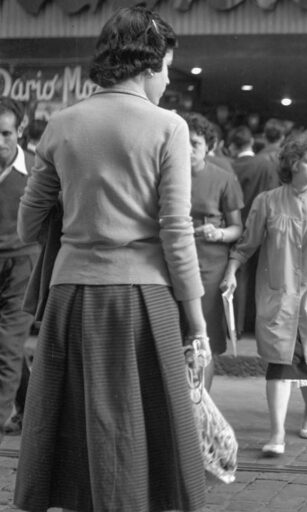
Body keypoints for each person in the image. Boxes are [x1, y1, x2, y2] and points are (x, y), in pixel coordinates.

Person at [14, 7, 208, 512]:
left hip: (69, 297)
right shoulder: (169, 127)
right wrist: (197, 316)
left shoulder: (61, 123)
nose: (168, 80)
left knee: (78, 428)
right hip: (143, 298)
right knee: (142, 429)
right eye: (167, 67)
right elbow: (175, 229)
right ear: (147, 66)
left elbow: (26, 222)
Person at [220, 132, 307, 457]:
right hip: (278, 297)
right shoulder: (267, 202)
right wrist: (230, 274)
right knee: (279, 365)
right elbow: (246, 246)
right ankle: (277, 432)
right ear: (293, 163)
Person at [184, 112, 244, 390]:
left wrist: (218, 233)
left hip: (210, 262)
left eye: (194, 143)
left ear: (208, 146)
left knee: (203, 335)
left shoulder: (223, 178)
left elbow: (237, 229)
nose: (187, 149)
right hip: (170, 259)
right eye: (181, 141)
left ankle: (201, 405)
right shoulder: (164, 175)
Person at [0, 97, 37, 442]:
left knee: (7, 345)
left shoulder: (37, 170)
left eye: (5, 133)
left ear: (21, 131)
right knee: (7, 348)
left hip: (24, 264)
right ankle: (31, 409)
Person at [228, 125, 279, 336]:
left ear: (231, 146)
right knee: (261, 277)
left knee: (238, 276)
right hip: (261, 226)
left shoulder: (229, 166)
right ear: (252, 143)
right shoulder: (265, 166)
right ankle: (255, 324)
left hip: (233, 226)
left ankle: (235, 327)